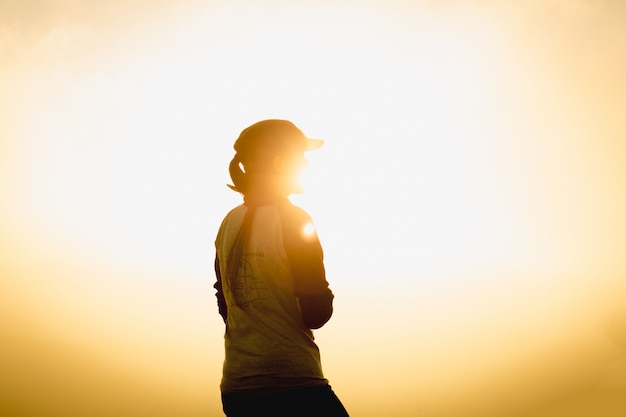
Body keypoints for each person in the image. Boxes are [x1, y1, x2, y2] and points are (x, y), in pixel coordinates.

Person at [213, 119, 349, 417]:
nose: (305, 165)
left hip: (237, 390)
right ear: (278, 163)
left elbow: (225, 303)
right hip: (294, 384)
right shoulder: (294, 219)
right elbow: (317, 315)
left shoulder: (228, 223)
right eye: (300, 157)